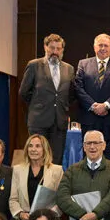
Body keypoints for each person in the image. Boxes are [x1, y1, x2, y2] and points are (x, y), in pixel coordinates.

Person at [19, 33, 75, 163]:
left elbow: (71, 94)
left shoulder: (69, 69)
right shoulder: (34, 65)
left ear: (62, 50)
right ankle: (37, 184)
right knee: (36, 159)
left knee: (56, 160)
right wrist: (38, 105)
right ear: (45, 47)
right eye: (52, 48)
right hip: (38, 122)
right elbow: (24, 92)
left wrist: (64, 108)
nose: (55, 52)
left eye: (58, 49)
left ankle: (53, 184)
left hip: (59, 122)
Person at [73, 33, 110, 161]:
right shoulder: (83, 64)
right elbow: (78, 88)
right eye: (100, 45)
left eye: (106, 45)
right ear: (94, 47)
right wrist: (93, 106)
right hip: (89, 118)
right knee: (89, 156)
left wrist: (106, 105)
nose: (103, 48)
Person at [8, 134, 64, 220]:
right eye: (30, 146)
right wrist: (20, 214)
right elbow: (13, 199)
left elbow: (61, 199)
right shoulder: (17, 170)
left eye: (38, 146)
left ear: (45, 149)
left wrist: (49, 215)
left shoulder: (57, 170)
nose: (33, 149)